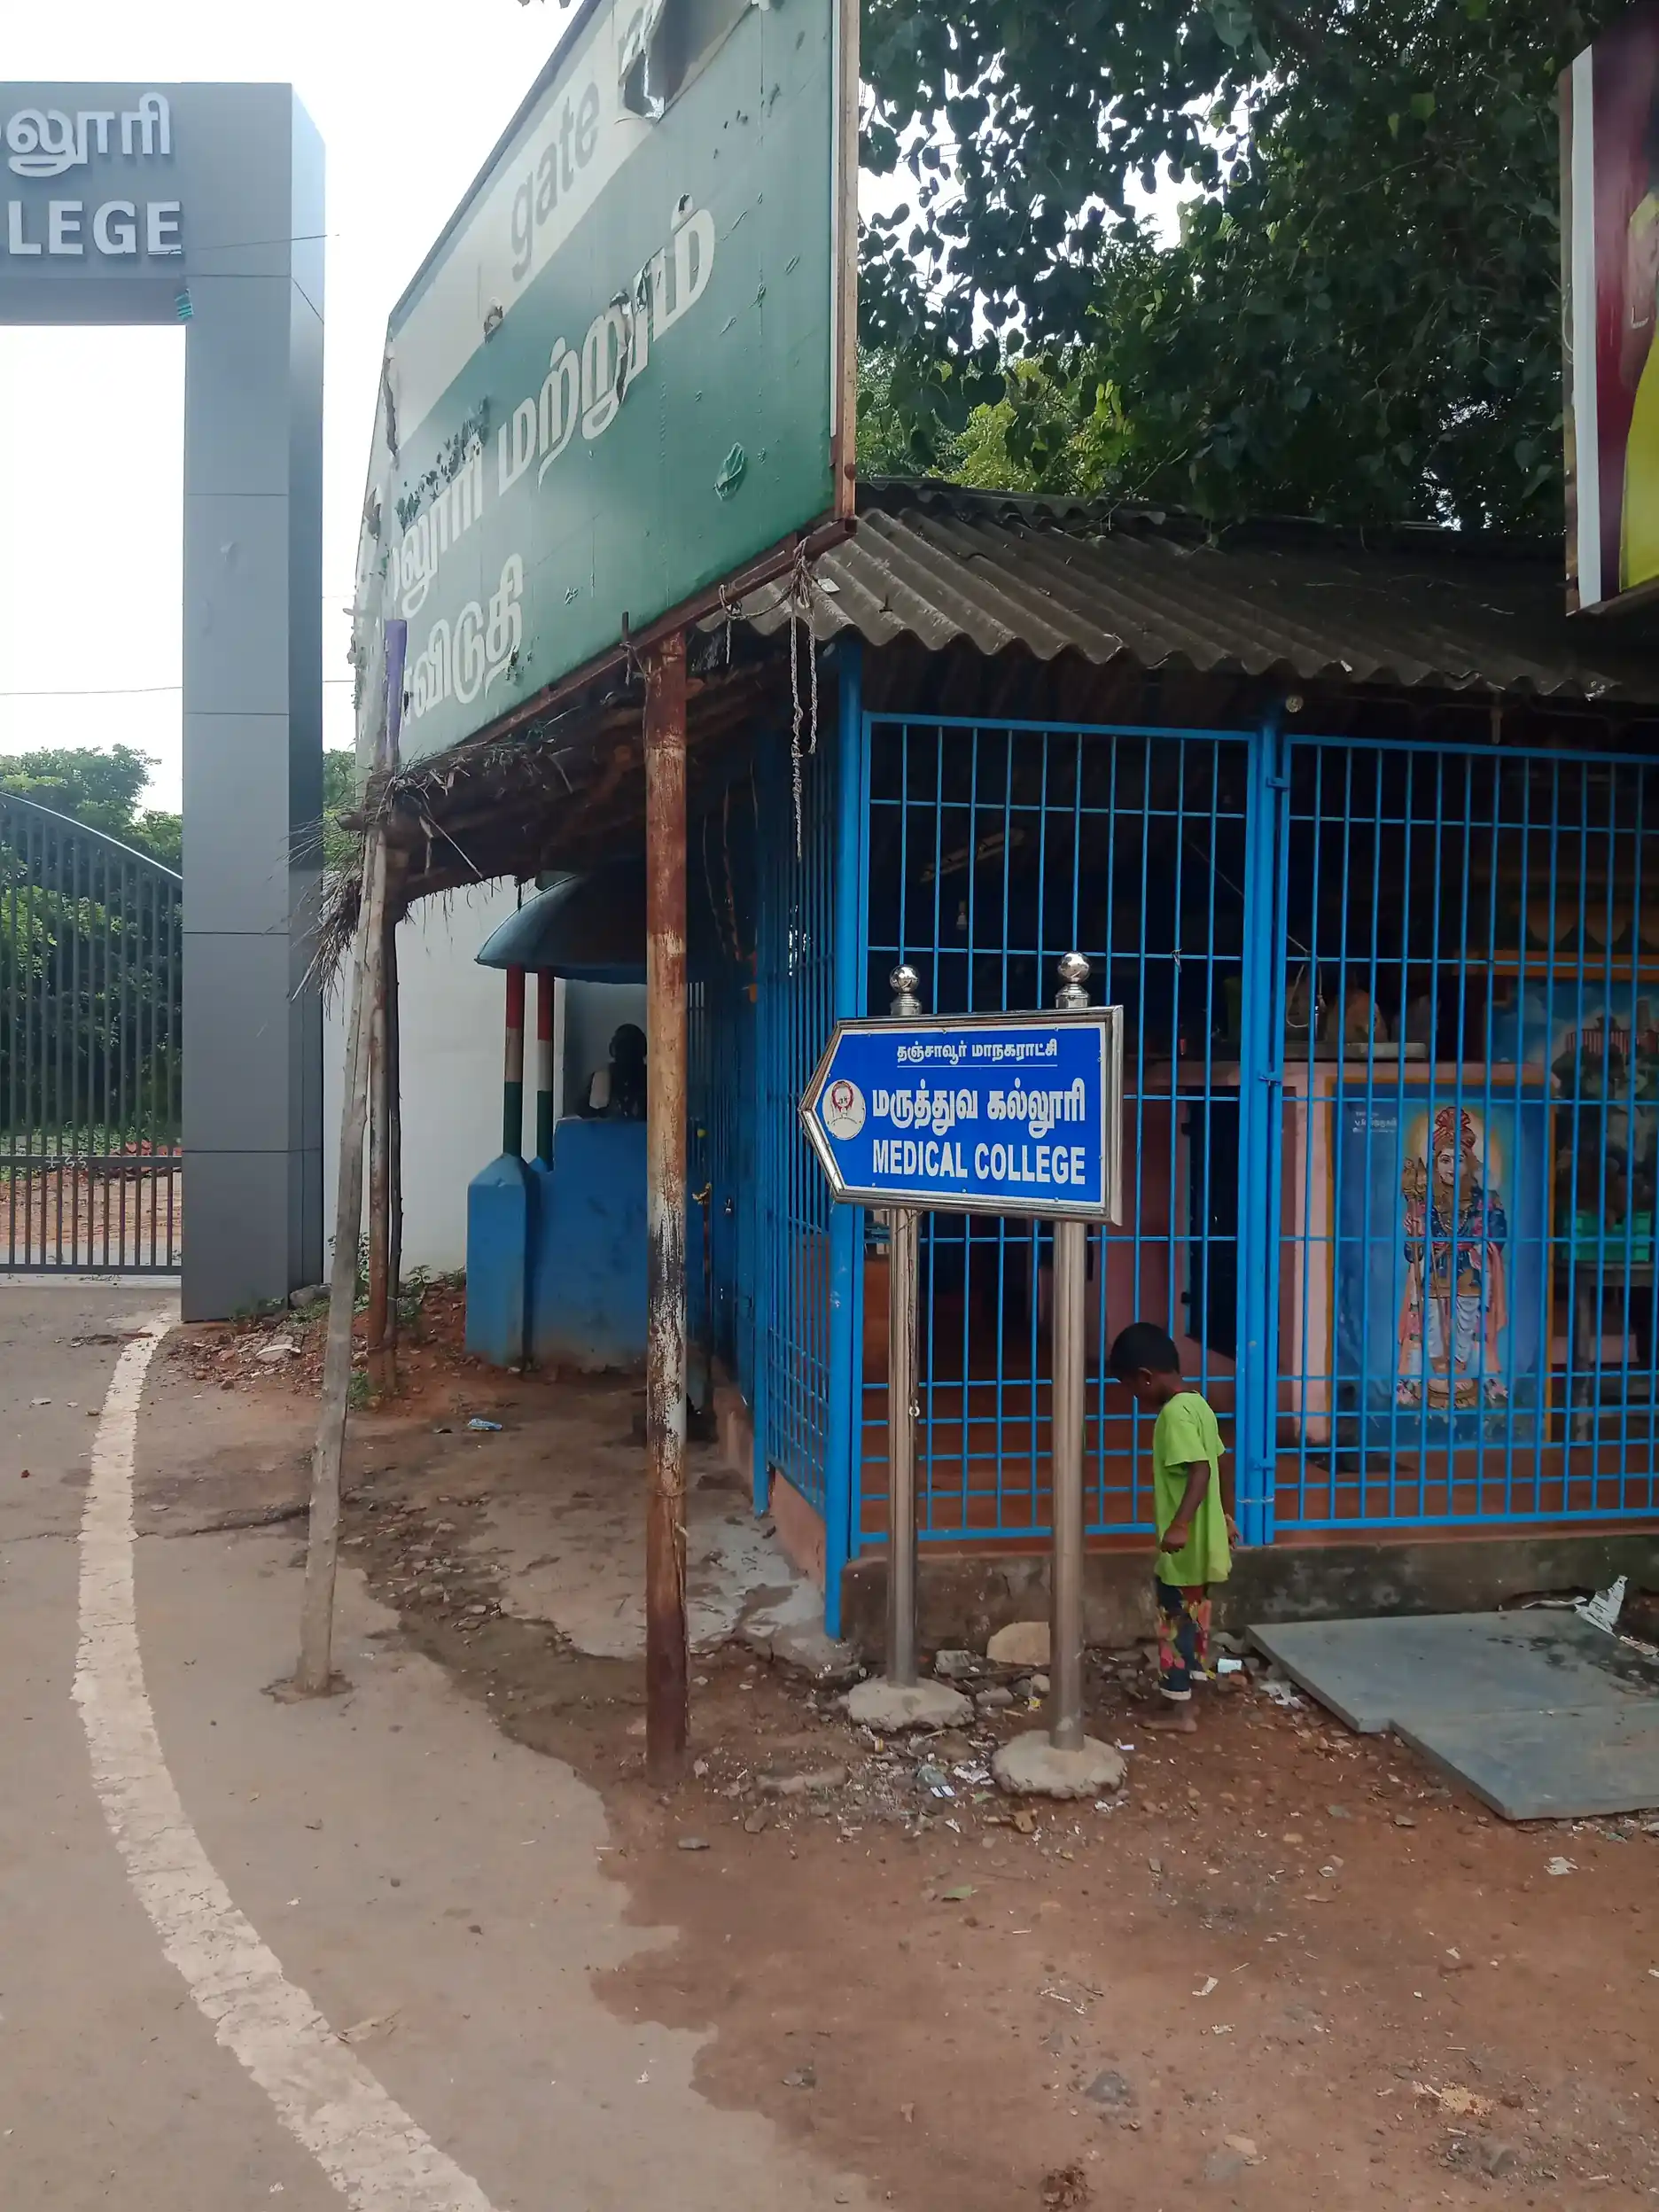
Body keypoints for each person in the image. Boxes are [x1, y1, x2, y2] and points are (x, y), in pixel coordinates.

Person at [1108, 1321, 1237, 1735]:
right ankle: (1184, 1694)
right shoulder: (1198, 1404)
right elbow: (1220, 1461)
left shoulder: (1173, 1416)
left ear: (1146, 1377)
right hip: (1205, 1543)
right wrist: (1227, 1516)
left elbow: (1200, 1469)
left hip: (1184, 1550)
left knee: (1174, 1621)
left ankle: (1178, 1710)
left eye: (1132, 1388)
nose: (1135, 1397)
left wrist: (1179, 1525)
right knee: (1194, 1620)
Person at [583, 1023, 647, 1121]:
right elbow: (582, 1111)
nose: (627, 1053)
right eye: (622, 1047)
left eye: (632, 1047)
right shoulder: (602, 1077)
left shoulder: (652, 1079)